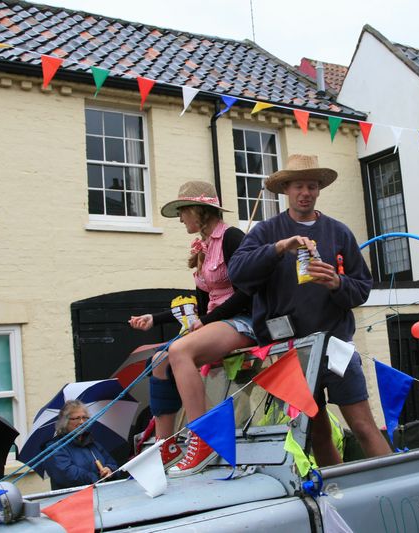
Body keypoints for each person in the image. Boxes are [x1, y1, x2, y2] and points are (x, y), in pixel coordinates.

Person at [228, 154, 391, 467]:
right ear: (287, 189)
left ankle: (395, 489)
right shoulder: (266, 231)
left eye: (312, 186)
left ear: (319, 190)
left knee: (363, 425)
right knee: (317, 432)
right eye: (299, 185)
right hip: (290, 352)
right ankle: (338, 494)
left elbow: (362, 288)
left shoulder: (339, 233)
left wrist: (337, 283)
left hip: (335, 346)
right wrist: (279, 248)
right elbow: (237, 273)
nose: (306, 192)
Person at [129, 181, 255, 476]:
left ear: (199, 210)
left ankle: (204, 439)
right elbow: (199, 305)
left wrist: (208, 322)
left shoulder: (232, 237)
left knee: (179, 350)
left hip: (244, 321)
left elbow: (248, 292)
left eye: (183, 211)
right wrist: (155, 318)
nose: (181, 218)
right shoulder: (202, 247)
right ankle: (166, 444)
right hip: (217, 323)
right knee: (159, 361)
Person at [43, 401, 119, 490]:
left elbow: (112, 464)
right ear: (65, 422)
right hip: (72, 499)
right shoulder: (54, 448)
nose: (82, 422)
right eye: (77, 418)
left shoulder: (92, 443)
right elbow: (67, 476)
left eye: (84, 417)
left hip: (100, 495)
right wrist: (98, 477)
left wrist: (109, 470)